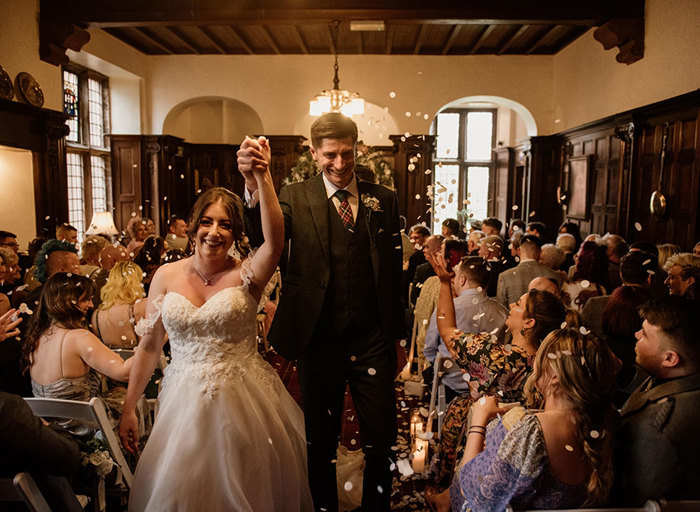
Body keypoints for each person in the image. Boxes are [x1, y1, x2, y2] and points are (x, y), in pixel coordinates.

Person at [120, 150, 313, 511]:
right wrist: (129, 407)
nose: (214, 232)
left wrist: (264, 177)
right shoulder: (165, 275)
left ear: (236, 232)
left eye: (225, 224)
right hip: (181, 402)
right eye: (207, 222)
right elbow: (149, 347)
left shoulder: (248, 274)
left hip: (244, 400)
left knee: (247, 487)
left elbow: (275, 242)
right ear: (193, 226)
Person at [238, 113, 404, 512]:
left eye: (347, 153)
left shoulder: (384, 197)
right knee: (320, 439)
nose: (341, 163)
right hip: (318, 337)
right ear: (314, 153)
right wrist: (253, 185)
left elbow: (393, 275)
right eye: (330, 155)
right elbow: (263, 240)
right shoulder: (294, 196)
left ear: (357, 147)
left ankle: (376, 508)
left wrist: (398, 338)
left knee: (380, 439)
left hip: (372, 338)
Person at [429, 329, 618, 512]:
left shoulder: (534, 431)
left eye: (541, 355)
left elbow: (471, 490)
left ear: (554, 377)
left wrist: (480, 419)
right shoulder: (607, 424)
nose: (535, 359)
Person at [425, 251, 568, 493]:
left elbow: (447, 329)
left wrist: (443, 282)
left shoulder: (497, 358)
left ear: (529, 323)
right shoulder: (553, 363)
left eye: (519, 304)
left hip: (479, 444)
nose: (511, 305)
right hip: (524, 453)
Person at [22, 273, 149, 439]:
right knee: (136, 399)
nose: (90, 304)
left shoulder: (37, 337)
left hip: (52, 433)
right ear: (66, 301)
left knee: (118, 392)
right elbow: (125, 373)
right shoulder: (79, 337)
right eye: (85, 299)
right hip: (87, 430)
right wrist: (151, 342)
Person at [613, 296, 700, 504]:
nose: (635, 335)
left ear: (670, 358)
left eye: (644, 335)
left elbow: (631, 498)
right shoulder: (677, 376)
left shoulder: (657, 428)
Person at [423, 256, 508, 404]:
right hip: (490, 390)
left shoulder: (449, 309)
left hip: (449, 386)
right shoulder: (503, 312)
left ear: (462, 279)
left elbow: (429, 349)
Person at [91, 261, 146, 348]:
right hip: (141, 360)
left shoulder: (96, 316)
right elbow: (149, 347)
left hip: (110, 360)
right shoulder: (140, 307)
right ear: (135, 281)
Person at [497, 234, 562, 307]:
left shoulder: (505, 276)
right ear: (540, 252)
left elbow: (501, 308)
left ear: (518, 251)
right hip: (545, 317)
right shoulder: (554, 275)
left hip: (515, 317)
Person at [563, 240, 609, 311]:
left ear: (581, 262)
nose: (574, 258)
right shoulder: (602, 290)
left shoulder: (567, 288)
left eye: (576, 256)